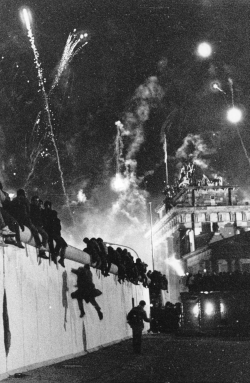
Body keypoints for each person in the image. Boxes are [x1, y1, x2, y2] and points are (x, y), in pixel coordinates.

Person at [10, 189, 48, 257]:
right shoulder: (25, 200)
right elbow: (28, 211)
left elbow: (12, 210)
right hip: (26, 219)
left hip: (17, 219)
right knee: (34, 230)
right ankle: (39, 246)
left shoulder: (14, 200)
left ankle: (18, 241)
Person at [42, 201, 68, 267]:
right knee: (58, 243)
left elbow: (58, 228)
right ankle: (56, 256)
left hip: (54, 233)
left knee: (63, 244)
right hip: (51, 232)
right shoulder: (46, 214)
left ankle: (58, 257)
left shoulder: (54, 218)